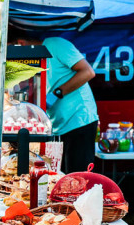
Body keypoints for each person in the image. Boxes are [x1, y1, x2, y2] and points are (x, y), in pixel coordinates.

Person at [11, 31, 98, 174]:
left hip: (79, 119)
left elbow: (88, 72)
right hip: (58, 126)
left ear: (20, 43)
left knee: (77, 177)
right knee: (60, 177)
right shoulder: (34, 64)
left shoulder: (55, 44)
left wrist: (57, 93)